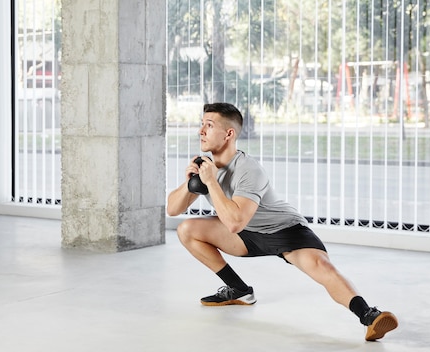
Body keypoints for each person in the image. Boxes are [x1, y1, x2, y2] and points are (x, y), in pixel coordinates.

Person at [167, 102, 398, 341]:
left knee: (322, 268)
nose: (201, 131)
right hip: (248, 234)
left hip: (285, 230)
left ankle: (369, 316)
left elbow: (235, 222)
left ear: (229, 134)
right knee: (187, 229)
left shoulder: (248, 169)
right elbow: (173, 209)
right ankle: (239, 291)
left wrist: (212, 183)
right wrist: (189, 183)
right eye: (201, 124)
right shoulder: (207, 167)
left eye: (209, 125)